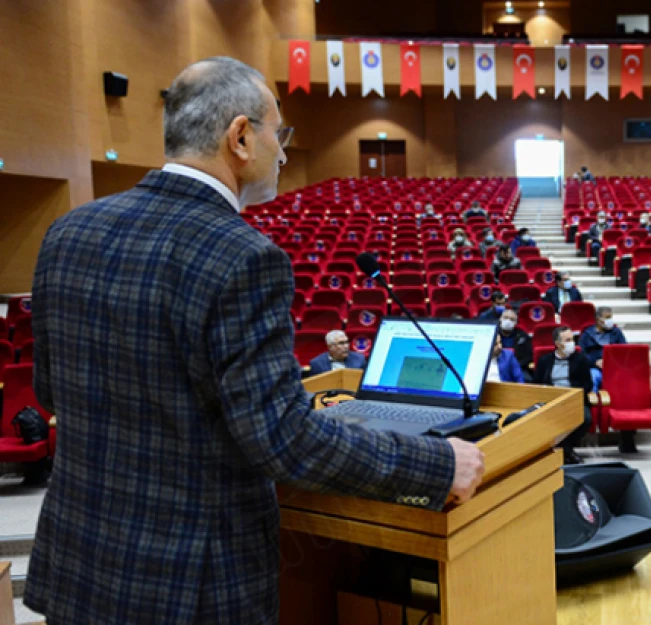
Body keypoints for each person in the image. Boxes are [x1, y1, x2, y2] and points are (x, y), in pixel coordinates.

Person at [22, 57, 485, 625]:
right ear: (240, 136)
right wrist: (437, 465)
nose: (285, 152)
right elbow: (284, 441)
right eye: (278, 132)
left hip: (79, 567)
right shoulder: (243, 256)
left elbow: (51, 392)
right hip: (189, 587)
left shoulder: (68, 232)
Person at [533, 326, 593, 464]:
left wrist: (572, 395)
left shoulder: (581, 359)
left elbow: (587, 384)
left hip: (573, 400)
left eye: (572, 339)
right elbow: (536, 384)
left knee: (586, 419)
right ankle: (567, 452)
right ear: (558, 344)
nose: (572, 343)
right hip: (551, 401)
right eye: (568, 340)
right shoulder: (545, 361)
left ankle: (565, 448)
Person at [578, 307, 628, 391]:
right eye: (607, 318)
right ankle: (593, 401)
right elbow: (581, 354)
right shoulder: (587, 334)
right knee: (593, 377)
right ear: (598, 320)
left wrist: (612, 362)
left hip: (614, 368)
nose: (610, 321)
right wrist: (595, 362)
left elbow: (624, 350)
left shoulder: (616, 332)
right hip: (595, 368)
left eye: (611, 317)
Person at [497, 308, 533, 378]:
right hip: (497, 366)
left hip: (518, 366)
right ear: (500, 319)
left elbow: (528, 356)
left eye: (512, 319)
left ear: (516, 323)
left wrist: (515, 365)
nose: (508, 321)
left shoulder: (522, 336)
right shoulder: (493, 334)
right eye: (506, 318)